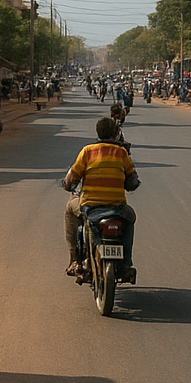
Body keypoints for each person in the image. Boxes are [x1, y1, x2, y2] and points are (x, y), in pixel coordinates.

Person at [63, 115, 139, 280]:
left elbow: (72, 178)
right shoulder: (122, 153)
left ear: (98, 133)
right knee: (130, 218)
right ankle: (126, 264)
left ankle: (75, 260)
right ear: (114, 134)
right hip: (117, 209)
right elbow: (132, 182)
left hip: (91, 208)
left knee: (70, 209)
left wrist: (68, 185)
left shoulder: (87, 151)